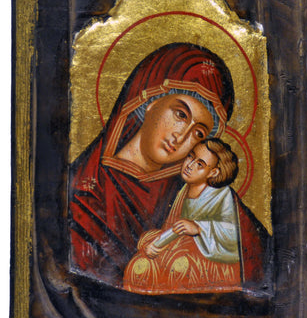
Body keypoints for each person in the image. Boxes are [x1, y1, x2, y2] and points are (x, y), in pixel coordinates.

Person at [69, 42, 267, 288]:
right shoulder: (82, 190)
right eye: (181, 115)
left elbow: (255, 257)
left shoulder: (196, 189)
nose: (181, 137)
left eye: (198, 133)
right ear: (151, 100)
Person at [123, 138, 246, 294]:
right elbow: (173, 228)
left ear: (213, 172)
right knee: (140, 263)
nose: (189, 165)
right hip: (179, 247)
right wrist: (157, 243)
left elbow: (232, 235)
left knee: (178, 267)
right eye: (190, 156)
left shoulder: (221, 195)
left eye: (200, 164)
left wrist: (199, 228)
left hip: (209, 258)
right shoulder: (184, 190)